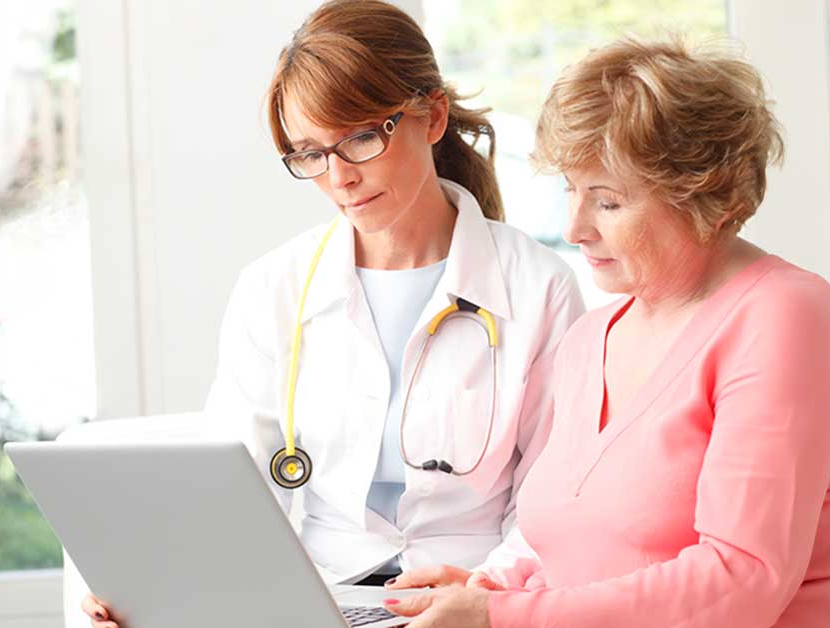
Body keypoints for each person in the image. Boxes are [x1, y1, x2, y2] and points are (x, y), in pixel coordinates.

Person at [81, 1, 585, 624]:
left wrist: (484, 594)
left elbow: (550, 507)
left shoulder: (539, 289)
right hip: (316, 601)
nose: (339, 176)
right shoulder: (275, 290)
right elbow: (229, 495)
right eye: (311, 154)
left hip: (473, 601)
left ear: (432, 116)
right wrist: (154, 586)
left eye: (361, 138)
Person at [380, 37, 830, 628]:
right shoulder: (592, 336)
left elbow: (741, 580)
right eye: (571, 191)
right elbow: (585, 554)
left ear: (705, 193)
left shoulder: (784, 314)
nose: (575, 228)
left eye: (609, 202)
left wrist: (504, 616)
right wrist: (490, 586)